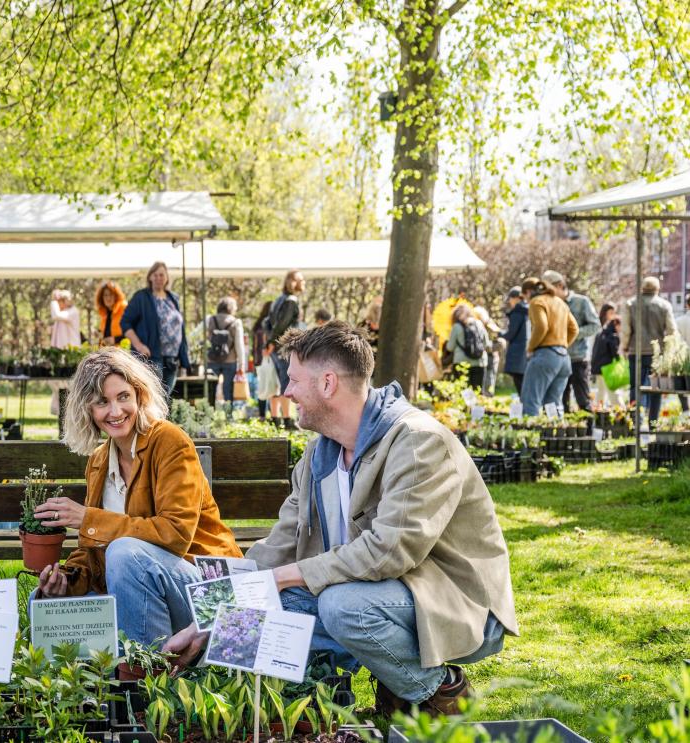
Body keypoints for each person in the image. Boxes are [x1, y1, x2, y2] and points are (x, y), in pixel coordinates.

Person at [163, 323, 517, 717]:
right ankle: (325, 707)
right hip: (377, 594)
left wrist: (281, 579)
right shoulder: (320, 455)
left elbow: (388, 553)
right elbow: (276, 550)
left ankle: (440, 694)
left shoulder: (418, 442)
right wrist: (208, 623)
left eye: (295, 380)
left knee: (340, 606)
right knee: (279, 607)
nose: (287, 392)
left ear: (328, 383)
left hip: (452, 602)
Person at [33, 348, 242, 645]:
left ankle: (147, 676)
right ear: (87, 409)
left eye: (123, 397)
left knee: (124, 553)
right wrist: (65, 581)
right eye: (102, 402)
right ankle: (91, 684)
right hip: (146, 585)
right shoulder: (98, 461)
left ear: (139, 395)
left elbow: (175, 534)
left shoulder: (169, 441)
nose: (115, 412)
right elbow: (94, 549)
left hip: (209, 591)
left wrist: (88, 519)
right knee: (42, 602)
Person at [121, 261, 191, 398]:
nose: (159, 278)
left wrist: (184, 358)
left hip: (172, 358)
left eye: (162, 275)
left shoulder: (173, 298)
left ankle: (160, 421)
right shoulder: (141, 297)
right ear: (150, 277)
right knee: (154, 397)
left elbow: (180, 328)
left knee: (165, 398)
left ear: (166, 278)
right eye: (156, 275)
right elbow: (125, 323)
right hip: (152, 356)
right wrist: (139, 345)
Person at [620, 276, 676, 426]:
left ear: (642, 289)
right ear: (657, 289)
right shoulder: (664, 305)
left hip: (635, 351)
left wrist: (624, 346)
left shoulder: (630, 304)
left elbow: (625, 329)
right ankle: (653, 423)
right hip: (657, 353)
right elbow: (671, 330)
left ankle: (636, 422)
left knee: (635, 386)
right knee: (656, 388)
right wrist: (669, 350)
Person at [543, 270, 600, 412]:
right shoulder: (549, 304)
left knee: (583, 399)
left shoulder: (582, 302)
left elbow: (595, 325)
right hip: (558, 357)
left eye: (549, 290)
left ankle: (587, 431)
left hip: (577, 358)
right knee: (560, 399)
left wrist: (572, 333)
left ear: (560, 286)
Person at [520, 276, 577, 416]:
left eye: (524, 296)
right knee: (554, 403)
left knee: (531, 400)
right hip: (564, 358)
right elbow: (574, 329)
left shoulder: (536, 302)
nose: (525, 300)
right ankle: (556, 434)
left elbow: (541, 326)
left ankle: (530, 435)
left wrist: (530, 347)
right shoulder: (560, 302)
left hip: (545, 355)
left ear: (528, 292)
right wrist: (561, 345)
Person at [264, 270, 306, 421]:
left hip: (276, 346)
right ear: (293, 282)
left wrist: (269, 342)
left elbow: (267, 323)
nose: (304, 282)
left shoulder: (279, 300)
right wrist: (271, 342)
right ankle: (287, 419)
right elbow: (282, 325)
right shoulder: (290, 301)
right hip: (283, 346)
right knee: (286, 380)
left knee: (276, 380)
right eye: (301, 280)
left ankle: (276, 417)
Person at [204, 296, 246, 407]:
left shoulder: (210, 320)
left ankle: (210, 413)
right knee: (228, 388)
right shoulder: (236, 322)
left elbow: (203, 339)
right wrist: (241, 364)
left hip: (212, 359)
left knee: (211, 388)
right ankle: (228, 414)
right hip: (230, 360)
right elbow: (239, 345)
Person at [446, 304, 488, 392]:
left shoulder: (456, 326)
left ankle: (466, 406)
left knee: (464, 391)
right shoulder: (479, 323)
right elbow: (486, 343)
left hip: (461, 363)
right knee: (478, 390)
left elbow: (450, 347)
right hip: (480, 361)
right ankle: (477, 406)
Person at [590, 304, 621, 410]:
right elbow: (614, 352)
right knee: (612, 392)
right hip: (607, 367)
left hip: (598, 366)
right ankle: (621, 412)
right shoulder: (610, 333)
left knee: (601, 392)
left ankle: (596, 413)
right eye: (611, 313)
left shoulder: (603, 331)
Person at [500, 286, 530, 393]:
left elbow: (511, 334)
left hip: (517, 353)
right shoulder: (528, 310)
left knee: (520, 383)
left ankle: (525, 407)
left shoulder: (518, 312)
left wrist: (499, 333)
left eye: (510, 299)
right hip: (526, 352)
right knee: (524, 382)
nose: (509, 302)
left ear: (517, 298)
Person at [251, 300, 276, 418]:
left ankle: (262, 415)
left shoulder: (257, 325)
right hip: (268, 359)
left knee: (262, 387)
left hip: (259, 361)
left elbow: (254, 346)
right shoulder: (268, 324)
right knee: (271, 385)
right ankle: (272, 414)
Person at [473, 306, 503, 396]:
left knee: (489, 380)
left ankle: (488, 397)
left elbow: (498, 338)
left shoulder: (489, 324)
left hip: (491, 355)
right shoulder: (475, 325)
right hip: (482, 355)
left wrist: (491, 346)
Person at [95, 281, 128, 346]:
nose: (108, 298)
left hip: (122, 353)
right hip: (107, 352)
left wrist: (115, 339)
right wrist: (98, 333)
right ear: (101, 298)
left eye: (111, 294)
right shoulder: (104, 313)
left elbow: (134, 332)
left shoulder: (124, 308)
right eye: (105, 295)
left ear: (116, 296)